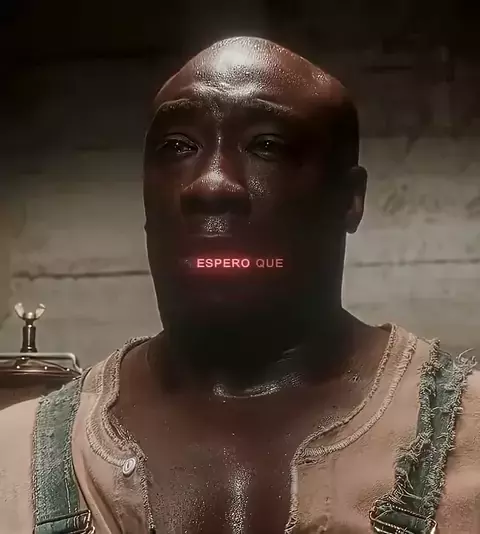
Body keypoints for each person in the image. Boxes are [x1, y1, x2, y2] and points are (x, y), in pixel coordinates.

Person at [0, 36, 479, 534]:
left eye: (267, 145)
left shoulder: (471, 437)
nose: (210, 185)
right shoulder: (13, 462)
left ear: (349, 199)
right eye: (178, 146)